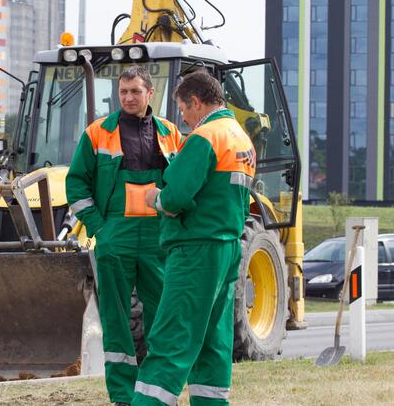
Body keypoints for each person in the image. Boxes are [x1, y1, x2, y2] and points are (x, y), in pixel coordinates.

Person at [133, 70, 256, 406]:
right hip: (228, 248)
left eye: (184, 110)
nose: (183, 119)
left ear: (197, 102)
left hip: (194, 250)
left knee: (173, 335)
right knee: (213, 340)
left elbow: (177, 196)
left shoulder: (205, 137)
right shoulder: (241, 139)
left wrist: (156, 198)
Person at [66, 65, 182, 405]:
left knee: (162, 313)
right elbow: (76, 183)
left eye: (135, 91)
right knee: (116, 317)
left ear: (150, 93)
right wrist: (99, 227)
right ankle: (122, 395)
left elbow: (183, 183)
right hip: (115, 235)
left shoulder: (171, 134)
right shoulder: (97, 133)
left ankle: (157, 389)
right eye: (123, 92)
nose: (128, 98)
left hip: (159, 237)